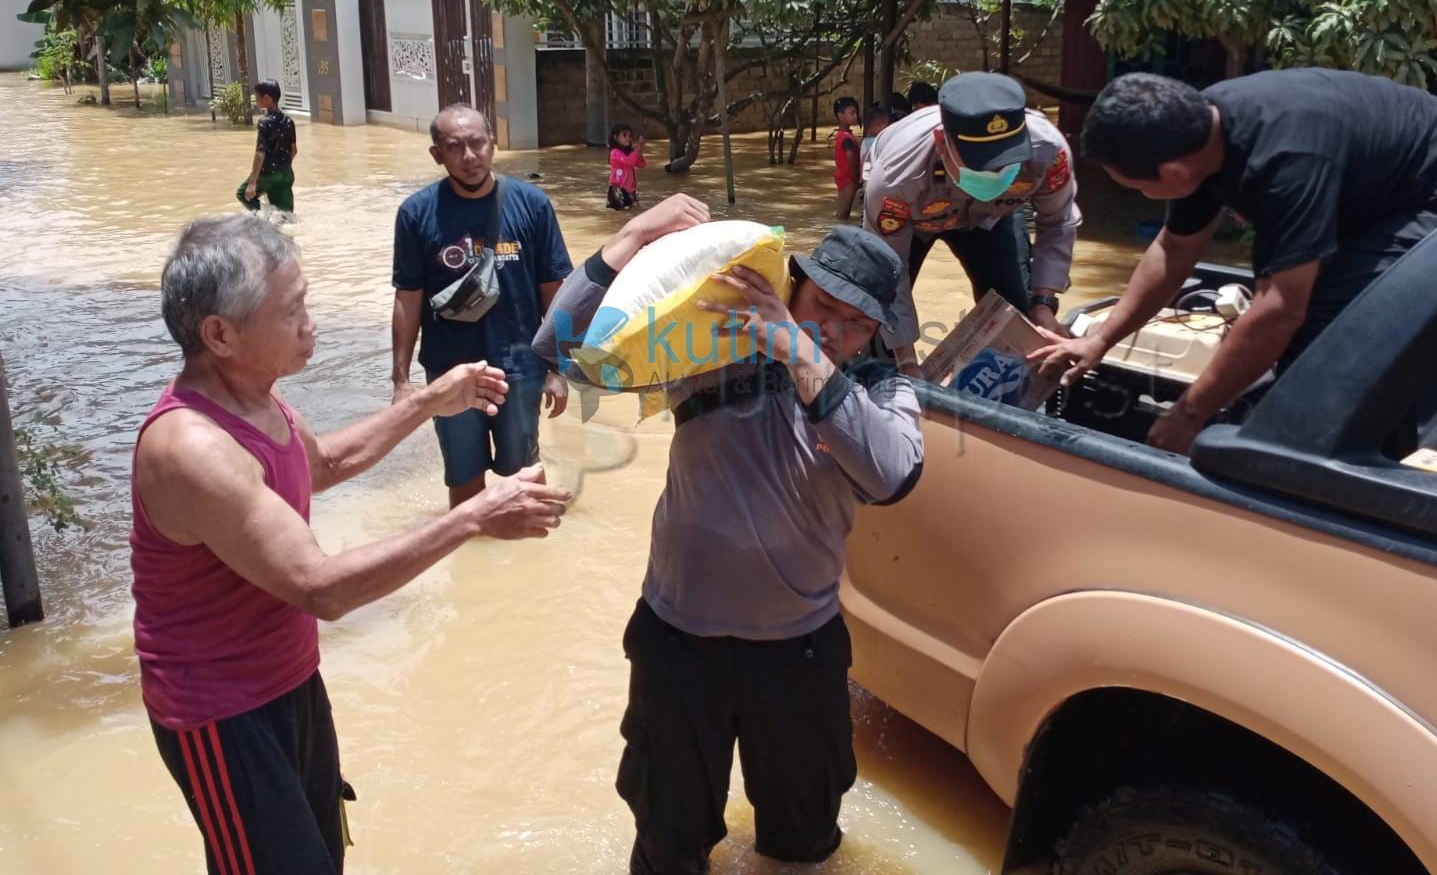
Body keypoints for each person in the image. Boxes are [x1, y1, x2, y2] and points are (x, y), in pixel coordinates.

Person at [134, 214, 570, 875]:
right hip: (220, 716)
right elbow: (321, 587)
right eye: (293, 310)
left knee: (323, 856)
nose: (311, 323)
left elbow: (323, 466)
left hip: (288, 682)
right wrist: (473, 516)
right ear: (220, 334)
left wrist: (428, 401)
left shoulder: (259, 399)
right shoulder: (192, 447)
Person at [535, 195, 923, 875]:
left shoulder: (883, 392)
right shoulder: (711, 346)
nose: (836, 331)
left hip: (800, 653)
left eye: (857, 325)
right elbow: (562, 349)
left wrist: (800, 350)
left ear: (876, 337)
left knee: (802, 846)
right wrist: (634, 234)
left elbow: (892, 476)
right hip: (679, 643)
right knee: (668, 840)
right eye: (823, 308)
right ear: (791, 285)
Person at [1029, 68, 1437, 455]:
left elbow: (1279, 310)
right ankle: (1356, 442)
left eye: (1135, 187)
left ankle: (1341, 464)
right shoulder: (1201, 133)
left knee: (1333, 320)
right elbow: (1174, 249)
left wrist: (1190, 415)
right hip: (1371, 192)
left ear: (1173, 172)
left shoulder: (1283, 161)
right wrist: (1101, 339)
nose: (1138, 196)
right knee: (1308, 314)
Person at [392, 104, 574, 507]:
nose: (469, 156)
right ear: (437, 155)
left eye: (477, 143)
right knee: (464, 484)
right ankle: (472, 559)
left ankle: (530, 564)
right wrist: (401, 381)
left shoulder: (532, 204)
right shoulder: (416, 214)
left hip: (521, 367)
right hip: (450, 373)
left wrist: (558, 368)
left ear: (493, 143)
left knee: (524, 479)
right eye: (455, 147)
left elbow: (555, 290)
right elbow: (408, 298)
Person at [864, 70, 1081, 373]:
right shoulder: (896, 176)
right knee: (873, 329)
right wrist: (907, 359)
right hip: (915, 221)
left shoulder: (1048, 150)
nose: (997, 176)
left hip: (992, 218)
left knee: (1015, 313)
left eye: (1007, 163)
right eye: (983, 167)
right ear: (942, 142)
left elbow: (1058, 223)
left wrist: (1044, 303)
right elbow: (886, 271)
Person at [236, 80, 297, 222]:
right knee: (287, 217)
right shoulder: (289, 121)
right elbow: (294, 150)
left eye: (257, 96)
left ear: (267, 98)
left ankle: (266, 218)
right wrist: (283, 168)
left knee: (243, 194)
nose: (255, 100)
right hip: (286, 173)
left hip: (269, 173)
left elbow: (260, 153)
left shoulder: (265, 122)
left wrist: (252, 182)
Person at [831, 96, 863, 221]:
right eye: (852, 113)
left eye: (856, 113)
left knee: (841, 212)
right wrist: (856, 178)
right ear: (841, 116)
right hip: (848, 178)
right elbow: (850, 158)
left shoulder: (843, 135)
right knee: (844, 215)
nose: (855, 116)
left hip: (842, 176)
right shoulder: (846, 138)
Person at [608, 122, 647, 210]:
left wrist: (640, 153)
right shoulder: (614, 152)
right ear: (615, 137)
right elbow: (628, 161)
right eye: (625, 136)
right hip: (618, 189)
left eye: (629, 136)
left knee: (634, 211)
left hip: (631, 189)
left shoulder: (630, 152)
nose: (628, 139)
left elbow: (642, 164)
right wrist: (638, 149)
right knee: (620, 214)